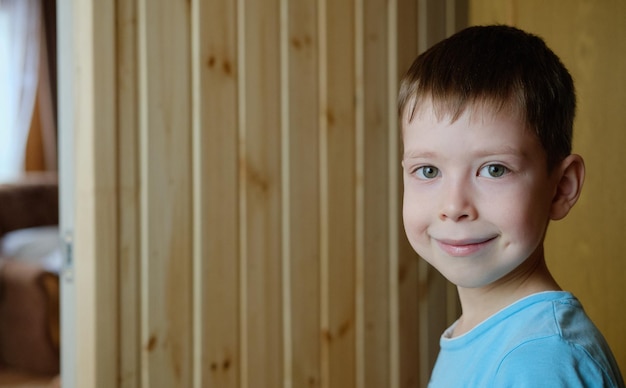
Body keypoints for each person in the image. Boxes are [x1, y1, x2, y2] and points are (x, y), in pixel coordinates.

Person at [398, 25, 625, 387]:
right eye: (428, 170)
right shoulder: (485, 333)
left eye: (494, 169)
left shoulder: (538, 362)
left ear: (561, 188)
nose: (454, 206)